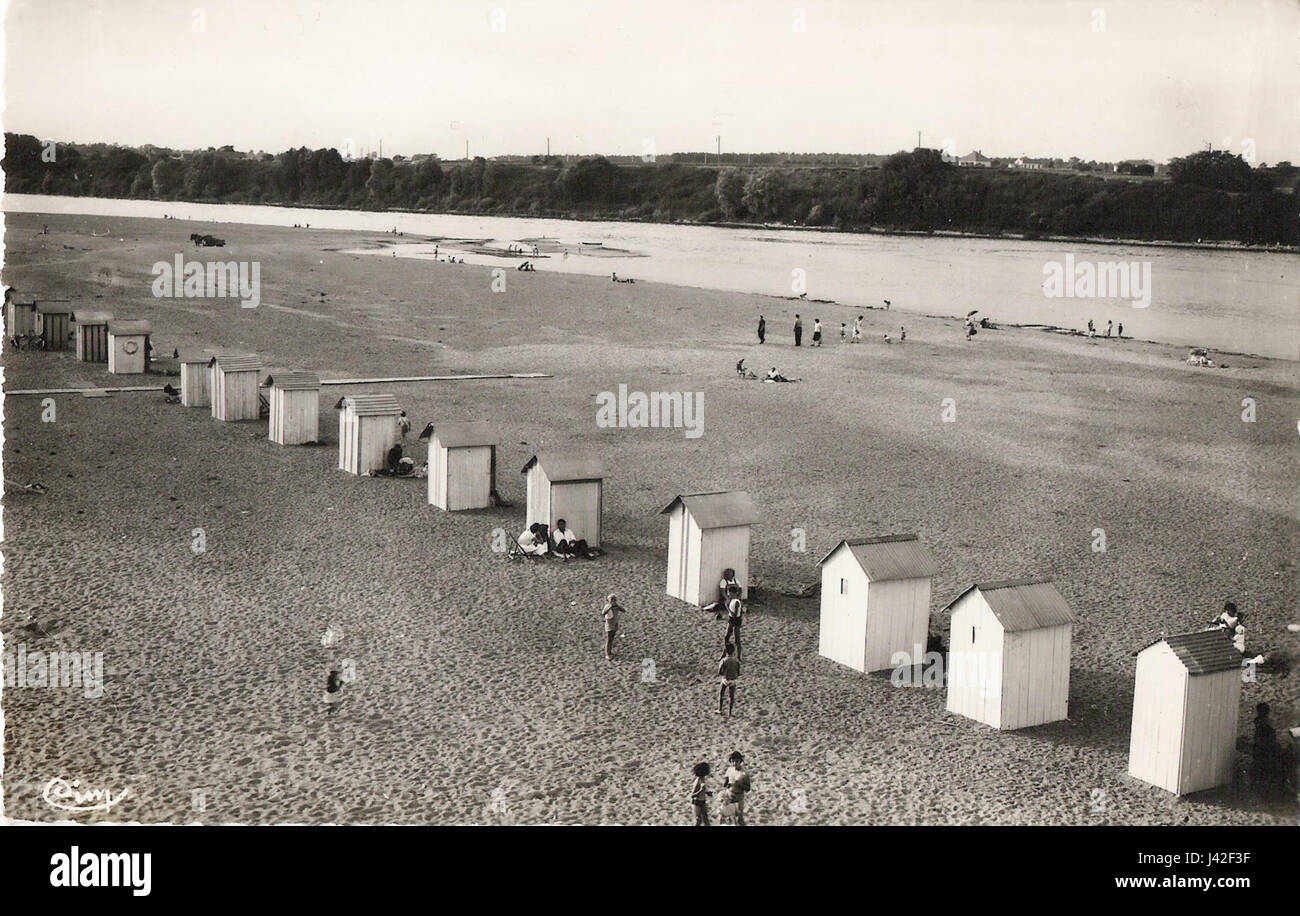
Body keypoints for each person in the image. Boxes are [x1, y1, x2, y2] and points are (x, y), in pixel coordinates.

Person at [721, 752, 751, 827]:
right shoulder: (729, 770)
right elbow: (725, 783)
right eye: (733, 761)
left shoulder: (744, 773)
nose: (735, 763)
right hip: (729, 796)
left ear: (740, 761)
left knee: (739, 819)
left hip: (739, 797)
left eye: (737, 761)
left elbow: (748, 788)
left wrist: (739, 784)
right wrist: (726, 783)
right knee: (728, 818)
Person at [718, 644, 740, 717]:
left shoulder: (724, 660)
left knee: (721, 693)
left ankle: (720, 709)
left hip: (725, 679)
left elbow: (720, 671)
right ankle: (730, 712)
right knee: (731, 696)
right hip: (733, 680)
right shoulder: (736, 660)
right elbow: (738, 671)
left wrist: (723, 674)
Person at [601, 593, 622, 661]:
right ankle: (608, 654)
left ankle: (610, 652)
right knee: (609, 639)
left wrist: (617, 607)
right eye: (612, 600)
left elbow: (623, 610)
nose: (613, 601)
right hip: (609, 625)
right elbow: (603, 613)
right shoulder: (607, 606)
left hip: (615, 624)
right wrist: (610, 607)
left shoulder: (616, 606)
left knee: (611, 639)